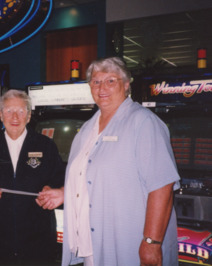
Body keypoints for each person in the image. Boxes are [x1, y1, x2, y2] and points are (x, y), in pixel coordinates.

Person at [57, 57, 180, 266]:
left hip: (129, 242)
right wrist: (63, 192)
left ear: (125, 85)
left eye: (111, 80)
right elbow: (90, 176)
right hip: (93, 243)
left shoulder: (143, 122)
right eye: (96, 82)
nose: (102, 87)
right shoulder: (87, 128)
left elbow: (162, 186)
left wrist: (151, 242)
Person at [0, 89, 65, 265]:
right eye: (9, 111)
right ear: (1, 114)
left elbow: (62, 180)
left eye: (21, 111)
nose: (15, 117)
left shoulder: (45, 145)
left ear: (28, 116)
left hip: (38, 241)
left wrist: (52, 189)